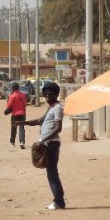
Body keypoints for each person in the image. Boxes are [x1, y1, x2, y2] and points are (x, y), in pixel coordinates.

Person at [15, 82, 65, 210]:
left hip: (51, 144)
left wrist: (42, 140)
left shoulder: (58, 108)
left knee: (52, 173)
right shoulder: (51, 107)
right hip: (47, 143)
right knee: (51, 172)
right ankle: (59, 199)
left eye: (50, 93)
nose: (47, 95)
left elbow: (58, 128)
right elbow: (39, 121)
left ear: (56, 94)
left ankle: (59, 202)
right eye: (46, 93)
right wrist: (23, 122)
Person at [4, 82, 27, 149]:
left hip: (15, 114)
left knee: (13, 128)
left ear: (13, 88)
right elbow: (25, 104)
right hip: (22, 113)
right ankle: (22, 142)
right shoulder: (23, 95)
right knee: (21, 128)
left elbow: (8, 105)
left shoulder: (12, 95)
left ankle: (12, 142)